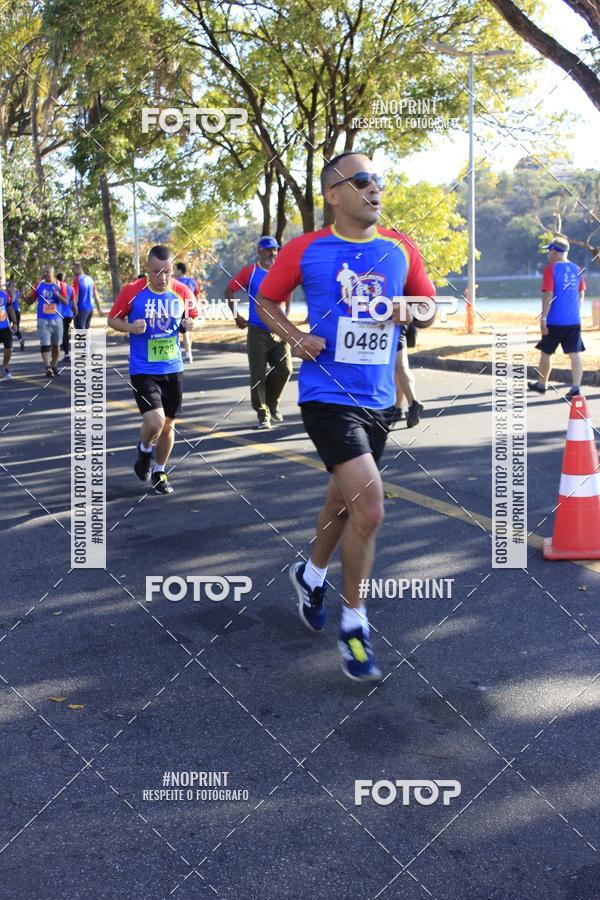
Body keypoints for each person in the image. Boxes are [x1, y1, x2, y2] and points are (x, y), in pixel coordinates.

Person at [256, 151, 436, 682]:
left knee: (343, 502)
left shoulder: (401, 248)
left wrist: (412, 309)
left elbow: (430, 304)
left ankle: (309, 574)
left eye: (378, 180)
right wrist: (295, 337)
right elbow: (265, 302)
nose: (374, 188)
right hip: (326, 396)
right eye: (361, 181)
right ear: (333, 194)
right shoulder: (305, 249)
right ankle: (354, 624)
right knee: (371, 508)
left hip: (378, 399)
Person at [107, 245, 197, 495]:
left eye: (167, 272)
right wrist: (129, 327)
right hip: (143, 368)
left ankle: (159, 470)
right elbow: (112, 319)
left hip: (172, 367)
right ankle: (145, 448)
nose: (162, 278)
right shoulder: (132, 292)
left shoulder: (182, 291)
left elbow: (193, 317)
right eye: (156, 272)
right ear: (147, 268)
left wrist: (189, 324)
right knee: (155, 420)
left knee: (168, 424)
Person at [225, 236, 293, 429]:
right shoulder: (251, 272)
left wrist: (286, 317)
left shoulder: (282, 271)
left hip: (278, 331)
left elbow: (288, 295)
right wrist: (236, 316)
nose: (273, 253)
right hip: (256, 331)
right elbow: (228, 291)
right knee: (258, 375)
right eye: (269, 249)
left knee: (285, 369)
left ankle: (272, 403)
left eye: (276, 250)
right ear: (259, 251)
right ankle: (263, 413)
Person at [528, 236, 586, 398]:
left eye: (550, 251)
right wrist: (576, 310)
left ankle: (542, 384)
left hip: (554, 321)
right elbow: (581, 293)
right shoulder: (577, 269)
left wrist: (543, 318)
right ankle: (576, 388)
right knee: (575, 354)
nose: (548, 254)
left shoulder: (550, 269)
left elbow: (548, 294)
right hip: (574, 320)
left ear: (556, 252)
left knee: (546, 353)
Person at [26, 265, 67, 377]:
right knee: (45, 344)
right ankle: (47, 367)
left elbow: (65, 302)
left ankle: (54, 365)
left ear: (53, 273)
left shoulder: (60, 285)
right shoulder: (39, 285)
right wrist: (23, 297)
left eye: (48, 272)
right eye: (44, 272)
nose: (45, 274)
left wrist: (57, 294)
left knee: (56, 345)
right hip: (42, 319)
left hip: (56, 319)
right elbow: (30, 301)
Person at [393, 322, 423, 427]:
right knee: (400, 368)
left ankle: (408, 404)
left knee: (398, 368)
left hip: (386, 325)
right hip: (401, 324)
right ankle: (400, 407)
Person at [174, 262, 200, 364]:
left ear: (180, 270)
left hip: (178, 309)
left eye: (175, 269)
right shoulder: (192, 281)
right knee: (188, 331)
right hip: (191, 308)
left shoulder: (175, 282)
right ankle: (189, 353)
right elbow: (196, 295)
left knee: (181, 332)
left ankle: (187, 355)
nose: (174, 272)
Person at [72, 263, 102, 329]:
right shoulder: (90, 279)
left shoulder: (77, 280)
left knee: (80, 332)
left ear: (78, 269)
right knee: (85, 330)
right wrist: (99, 308)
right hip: (90, 309)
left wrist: (73, 309)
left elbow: (75, 297)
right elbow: (95, 294)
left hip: (80, 309)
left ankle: (82, 339)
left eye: (73, 269)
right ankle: (86, 339)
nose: (72, 272)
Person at [57, 272, 77, 363]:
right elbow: (74, 304)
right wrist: (75, 313)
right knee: (65, 332)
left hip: (59, 314)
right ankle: (66, 353)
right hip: (69, 314)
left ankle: (66, 353)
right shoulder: (71, 289)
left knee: (63, 333)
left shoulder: (56, 288)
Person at [0, 283, 17, 378]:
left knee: (9, 348)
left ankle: (5, 367)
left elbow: (10, 308)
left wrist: (14, 323)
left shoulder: (4, 294)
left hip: (4, 327)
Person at [6, 277, 24, 351]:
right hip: (15, 311)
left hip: (13, 311)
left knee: (10, 329)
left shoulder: (11, 292)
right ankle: (20, 340)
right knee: (14, 328)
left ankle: (10, 345)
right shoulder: (16, 292)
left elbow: (12, 299)